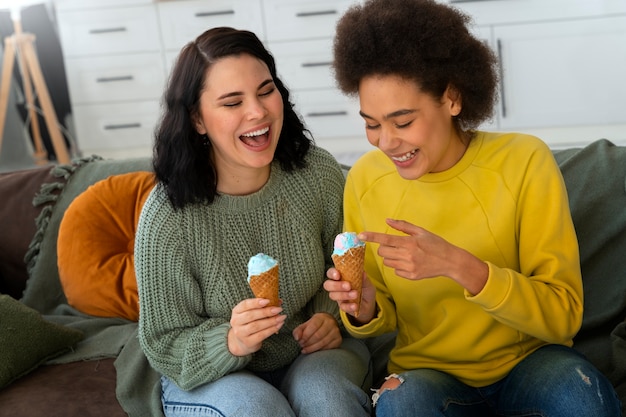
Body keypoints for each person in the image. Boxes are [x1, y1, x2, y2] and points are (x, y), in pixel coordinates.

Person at [323, 0, 622, 416]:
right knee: (401, 404)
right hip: (427, 375)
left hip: (531, 363)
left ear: (452, 99)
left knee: (580, 398)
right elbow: (384, 315)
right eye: (371, 123)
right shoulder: (365, 180)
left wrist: (460, 265)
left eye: (403, 121)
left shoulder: (523, 162)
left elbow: (563, 315)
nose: (385, 142)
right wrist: (365, 306)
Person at [135, 27, 372, 417]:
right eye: (232, 102)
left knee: (327, 399)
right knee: (256, 408)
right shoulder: (168, 216)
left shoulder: (319, 174)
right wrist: (230, 341)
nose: (258, 112)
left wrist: (331, 319)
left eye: (265, 91)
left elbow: (345, 270)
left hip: (309, 354)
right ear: (197, 119)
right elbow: (164, 341)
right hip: (211, 374)